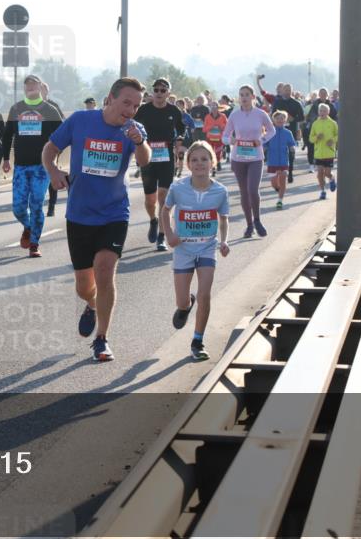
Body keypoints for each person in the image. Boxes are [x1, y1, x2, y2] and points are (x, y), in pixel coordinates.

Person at [43, 77, 149, 362]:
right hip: (79, 215)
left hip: (114, 212)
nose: (130, 110)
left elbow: (145, 160)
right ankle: (91, 304)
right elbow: (50, 149)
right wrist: (53, 171)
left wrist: (139, 142)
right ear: (110, 98)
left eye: (136, 106)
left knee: (105, 269)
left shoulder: (134, 131)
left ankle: (101, 339)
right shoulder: (80, 121)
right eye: (126, 102)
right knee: (83, 286)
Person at [161, 141, 230, 361]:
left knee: (205, 294)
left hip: (208, 248)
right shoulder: (178, 188)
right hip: (183, 249)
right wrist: (169, 235)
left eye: (204, 159)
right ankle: (185, 306)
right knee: (182, 301)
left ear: (212, 162)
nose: (199, 163)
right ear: (188, 164)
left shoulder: (220, 191)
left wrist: (224, 241)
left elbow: (224, 218)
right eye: (194, 160)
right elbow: (165, 211)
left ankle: (198, 341)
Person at [2, 74, 63, 258]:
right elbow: (7, 136)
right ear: (24, 89)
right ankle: (28, 227)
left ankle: (34, 243)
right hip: (21, 166)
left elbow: (62, 134)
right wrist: (6, 159)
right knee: (18, 208)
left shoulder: (49, 110)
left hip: (41, 167)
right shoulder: (16, 108)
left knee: (36, 204)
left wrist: (54, 157)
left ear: (40, 88)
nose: (30, 88)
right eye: (27, 85)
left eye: (34, 85)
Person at [134, 77, 185, 251]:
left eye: (163, 90)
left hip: (166, 158)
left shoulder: (174, 111)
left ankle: (162, 236)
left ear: (168, 93)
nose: (159, 93)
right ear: (152, 92)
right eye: (156, 90)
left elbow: (182, 128)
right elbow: (131, 126)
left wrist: (179, 141)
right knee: (150, 200)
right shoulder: (143, 110)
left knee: (163, 196)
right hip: (147, 158)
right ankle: (153, 220)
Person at [222, 84, 275, 237]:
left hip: (255, 157)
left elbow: (272, 130)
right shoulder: (234, 115)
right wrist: (230, 141)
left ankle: (257, 219)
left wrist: (262, 140)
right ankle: (249, 225)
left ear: (252, 97)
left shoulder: (260, 114)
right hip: (238, 158)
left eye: (246, 95)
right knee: (244, 192)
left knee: (253, 190)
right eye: (241, 95)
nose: (243, 98)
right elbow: (224, 136)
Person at [271, 83, 306, 183]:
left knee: (291, 152)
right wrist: (277, 120)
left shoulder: (296, 103)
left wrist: (293, 119)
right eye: (285, 90)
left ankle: (290, 171)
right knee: (280, 151)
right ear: (282, 91)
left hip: (291, 130)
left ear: (292, 91)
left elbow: (302, 117)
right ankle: (279, 172)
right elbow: (272, 115)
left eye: (289, 90)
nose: (287, 92)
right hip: (278, 131)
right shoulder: (277, 102)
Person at [41, 82, 66, 218]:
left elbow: (63, 125)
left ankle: (51, 206)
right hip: (36, 148)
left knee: (51, 174)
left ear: (47, 92)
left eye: (42, 90)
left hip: (51, 147)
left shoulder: (53, 107)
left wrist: (57, 144)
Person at [263, 111, 297, 209]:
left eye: (282, 118)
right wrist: (263, 149)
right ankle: (278, 189)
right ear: (273, 120)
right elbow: (264, 143)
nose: (280, 120)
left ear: (285, 120)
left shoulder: (288, 132)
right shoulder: (269, 132)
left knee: (283, 179)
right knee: (274, 183)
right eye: (277, 118)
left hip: (283, 161)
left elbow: (291, 143)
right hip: (272, 161)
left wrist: (292, 148)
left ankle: (280, 200)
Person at [310, 103, 339, 200]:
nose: (322, 112)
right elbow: (311, 138)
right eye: (320, 111)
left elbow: (338, 135)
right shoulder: (315, 124)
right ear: (318, 112)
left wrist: (333, 140)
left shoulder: (333, 123)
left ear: (328, 112)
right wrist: (316, 138)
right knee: (319, 173)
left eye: (324, 111)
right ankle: (322, 191)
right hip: (318, 153)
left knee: (327, 173)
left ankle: (332, 178)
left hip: (329, 152)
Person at [202, 103, 228, 174]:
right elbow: (204, 129)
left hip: (219, 138)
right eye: (212, 107)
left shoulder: (223, 116)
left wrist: (221, 126)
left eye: (215, 107)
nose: (213, 109)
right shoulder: (207, 117)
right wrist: (211, 126)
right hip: (210, 138)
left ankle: (218, 162)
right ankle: (213, 166)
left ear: (217, 108)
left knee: (218, 153)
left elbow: (227, 126)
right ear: (210, 108)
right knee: (210, 152)